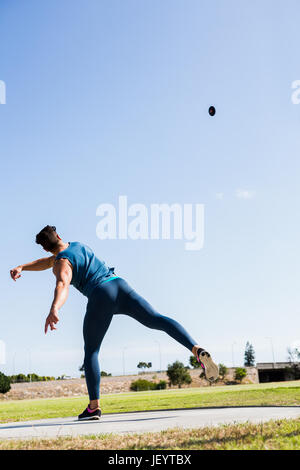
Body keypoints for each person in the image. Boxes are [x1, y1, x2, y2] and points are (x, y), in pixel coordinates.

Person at [10, 225, 219, 421]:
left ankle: (94, 407)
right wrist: (23, 267)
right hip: (119, 284)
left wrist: (54, 308)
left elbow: (62, 282)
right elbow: (47, 262)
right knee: (156, 319)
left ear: (46, 247)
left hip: (101, 295)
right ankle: (196, 348)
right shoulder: (78, 246)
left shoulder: (61, 263)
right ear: (60, 237)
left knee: (91, 351)